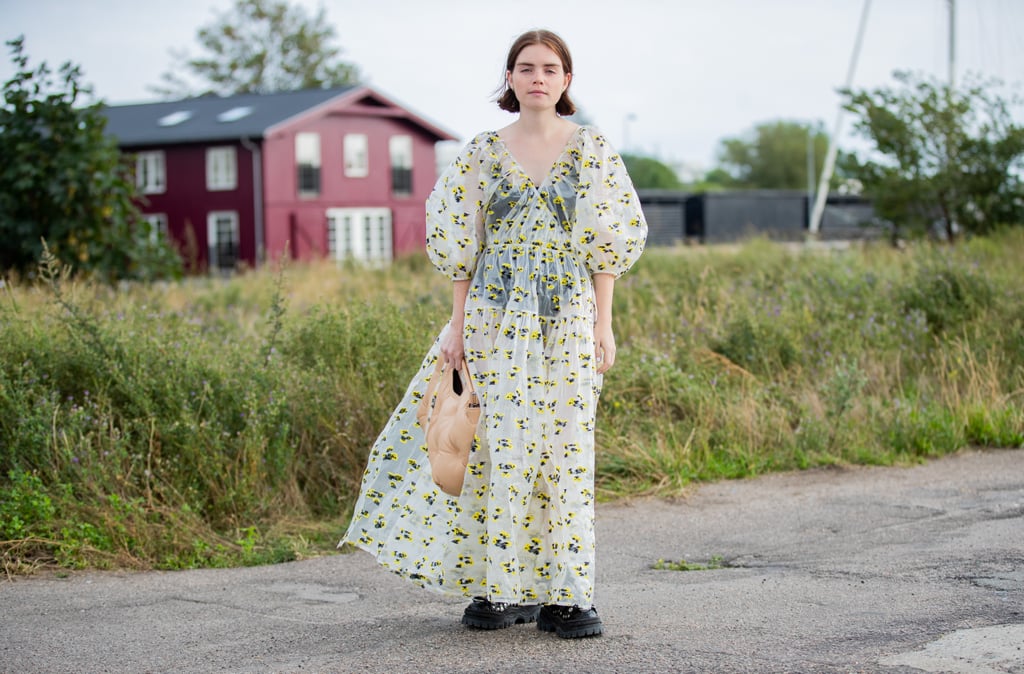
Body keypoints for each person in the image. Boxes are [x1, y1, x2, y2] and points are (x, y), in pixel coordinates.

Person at [340, 28, 647, 639]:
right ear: (509, 78)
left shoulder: (592, 150)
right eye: (526, 67)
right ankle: (499, 588)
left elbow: (608, 244)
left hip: (565, 318)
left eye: (551, 68)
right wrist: (456, 327)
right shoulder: (481, 152)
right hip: (492, 318)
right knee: (496, 445)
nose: (538, 76)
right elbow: (463, 248)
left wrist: (603, 325)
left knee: (562, 449)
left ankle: (567, 595)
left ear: (566, 81)